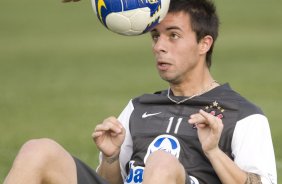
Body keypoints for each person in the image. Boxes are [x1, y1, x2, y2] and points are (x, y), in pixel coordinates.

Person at [4, 0, 277, 184]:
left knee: (162, 163)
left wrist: (214, 152)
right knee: (38, 150)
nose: (159, 46)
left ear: (205, 43)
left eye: (173, 35)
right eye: (156, 36)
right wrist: (111, 158)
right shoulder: (139, 107)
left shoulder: (242, 115)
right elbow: (111, 180)